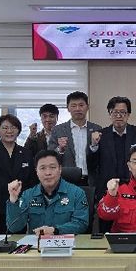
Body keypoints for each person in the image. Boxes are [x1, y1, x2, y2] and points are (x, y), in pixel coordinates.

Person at [88, 96, 136, 232]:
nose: (119, 116)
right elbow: (91, 165)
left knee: (132, 226)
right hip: (108, 189)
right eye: (115, 112)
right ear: (109, 114)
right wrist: (94, 145)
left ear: (128, 114)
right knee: (106, 227)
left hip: (133, 189)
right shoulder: (100, 135)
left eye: (123, 112)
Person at [48, 91, 102, 231]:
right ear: (68, 108)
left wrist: (94, 145)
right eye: (74, 105)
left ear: (87, 107)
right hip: (66, 181)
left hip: (90, 181)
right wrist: (60, 149)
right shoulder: (58, 130)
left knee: (88, 218)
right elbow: (50, 157)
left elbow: (102, 157)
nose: (78, 109)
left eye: (81, 105)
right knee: (66, 217)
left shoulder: (97, 129)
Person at [6, 150, 89, 235]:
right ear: (36, 171)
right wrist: (13, 199)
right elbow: (14, 228)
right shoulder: (28, 195)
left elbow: (81, 224)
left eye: (52, 167)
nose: (48, 173)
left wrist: (55, 230)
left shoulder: (77, 193)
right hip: (37, 242)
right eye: (42, 168)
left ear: (60, 169)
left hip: (66, 241)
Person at [0, 114, 36, 234]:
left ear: (18, 130)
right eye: (5, 128)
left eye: (13, 127)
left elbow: (32, 180)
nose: (9, 131)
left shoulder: (26, 153)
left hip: (18, 206)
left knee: (17, 241)